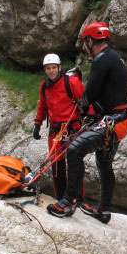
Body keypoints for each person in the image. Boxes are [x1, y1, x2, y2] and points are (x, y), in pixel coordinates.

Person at [47, 22, 127, 224]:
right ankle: (104, 210)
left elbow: (89, 95)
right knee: (104, 163)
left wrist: (81, 109)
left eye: (85, 43)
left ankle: (68, 201)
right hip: (121, 119)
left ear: (89, 40)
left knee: (74, 149)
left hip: (113, 120)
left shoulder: (102, 60)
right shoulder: (114, 58)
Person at [33, 53, 85, 201]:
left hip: (73, 128)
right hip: (56, 130)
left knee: (75, 164)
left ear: (59, 67)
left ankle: (78, 200)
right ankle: (60, 199)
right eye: (48, 68)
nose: (51, 71)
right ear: (45, 70)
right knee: (57, 165)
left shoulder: (72, 82)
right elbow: (42, 105)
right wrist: (38, 124)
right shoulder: (45, 86)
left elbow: (85, 102)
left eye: (53, 67)